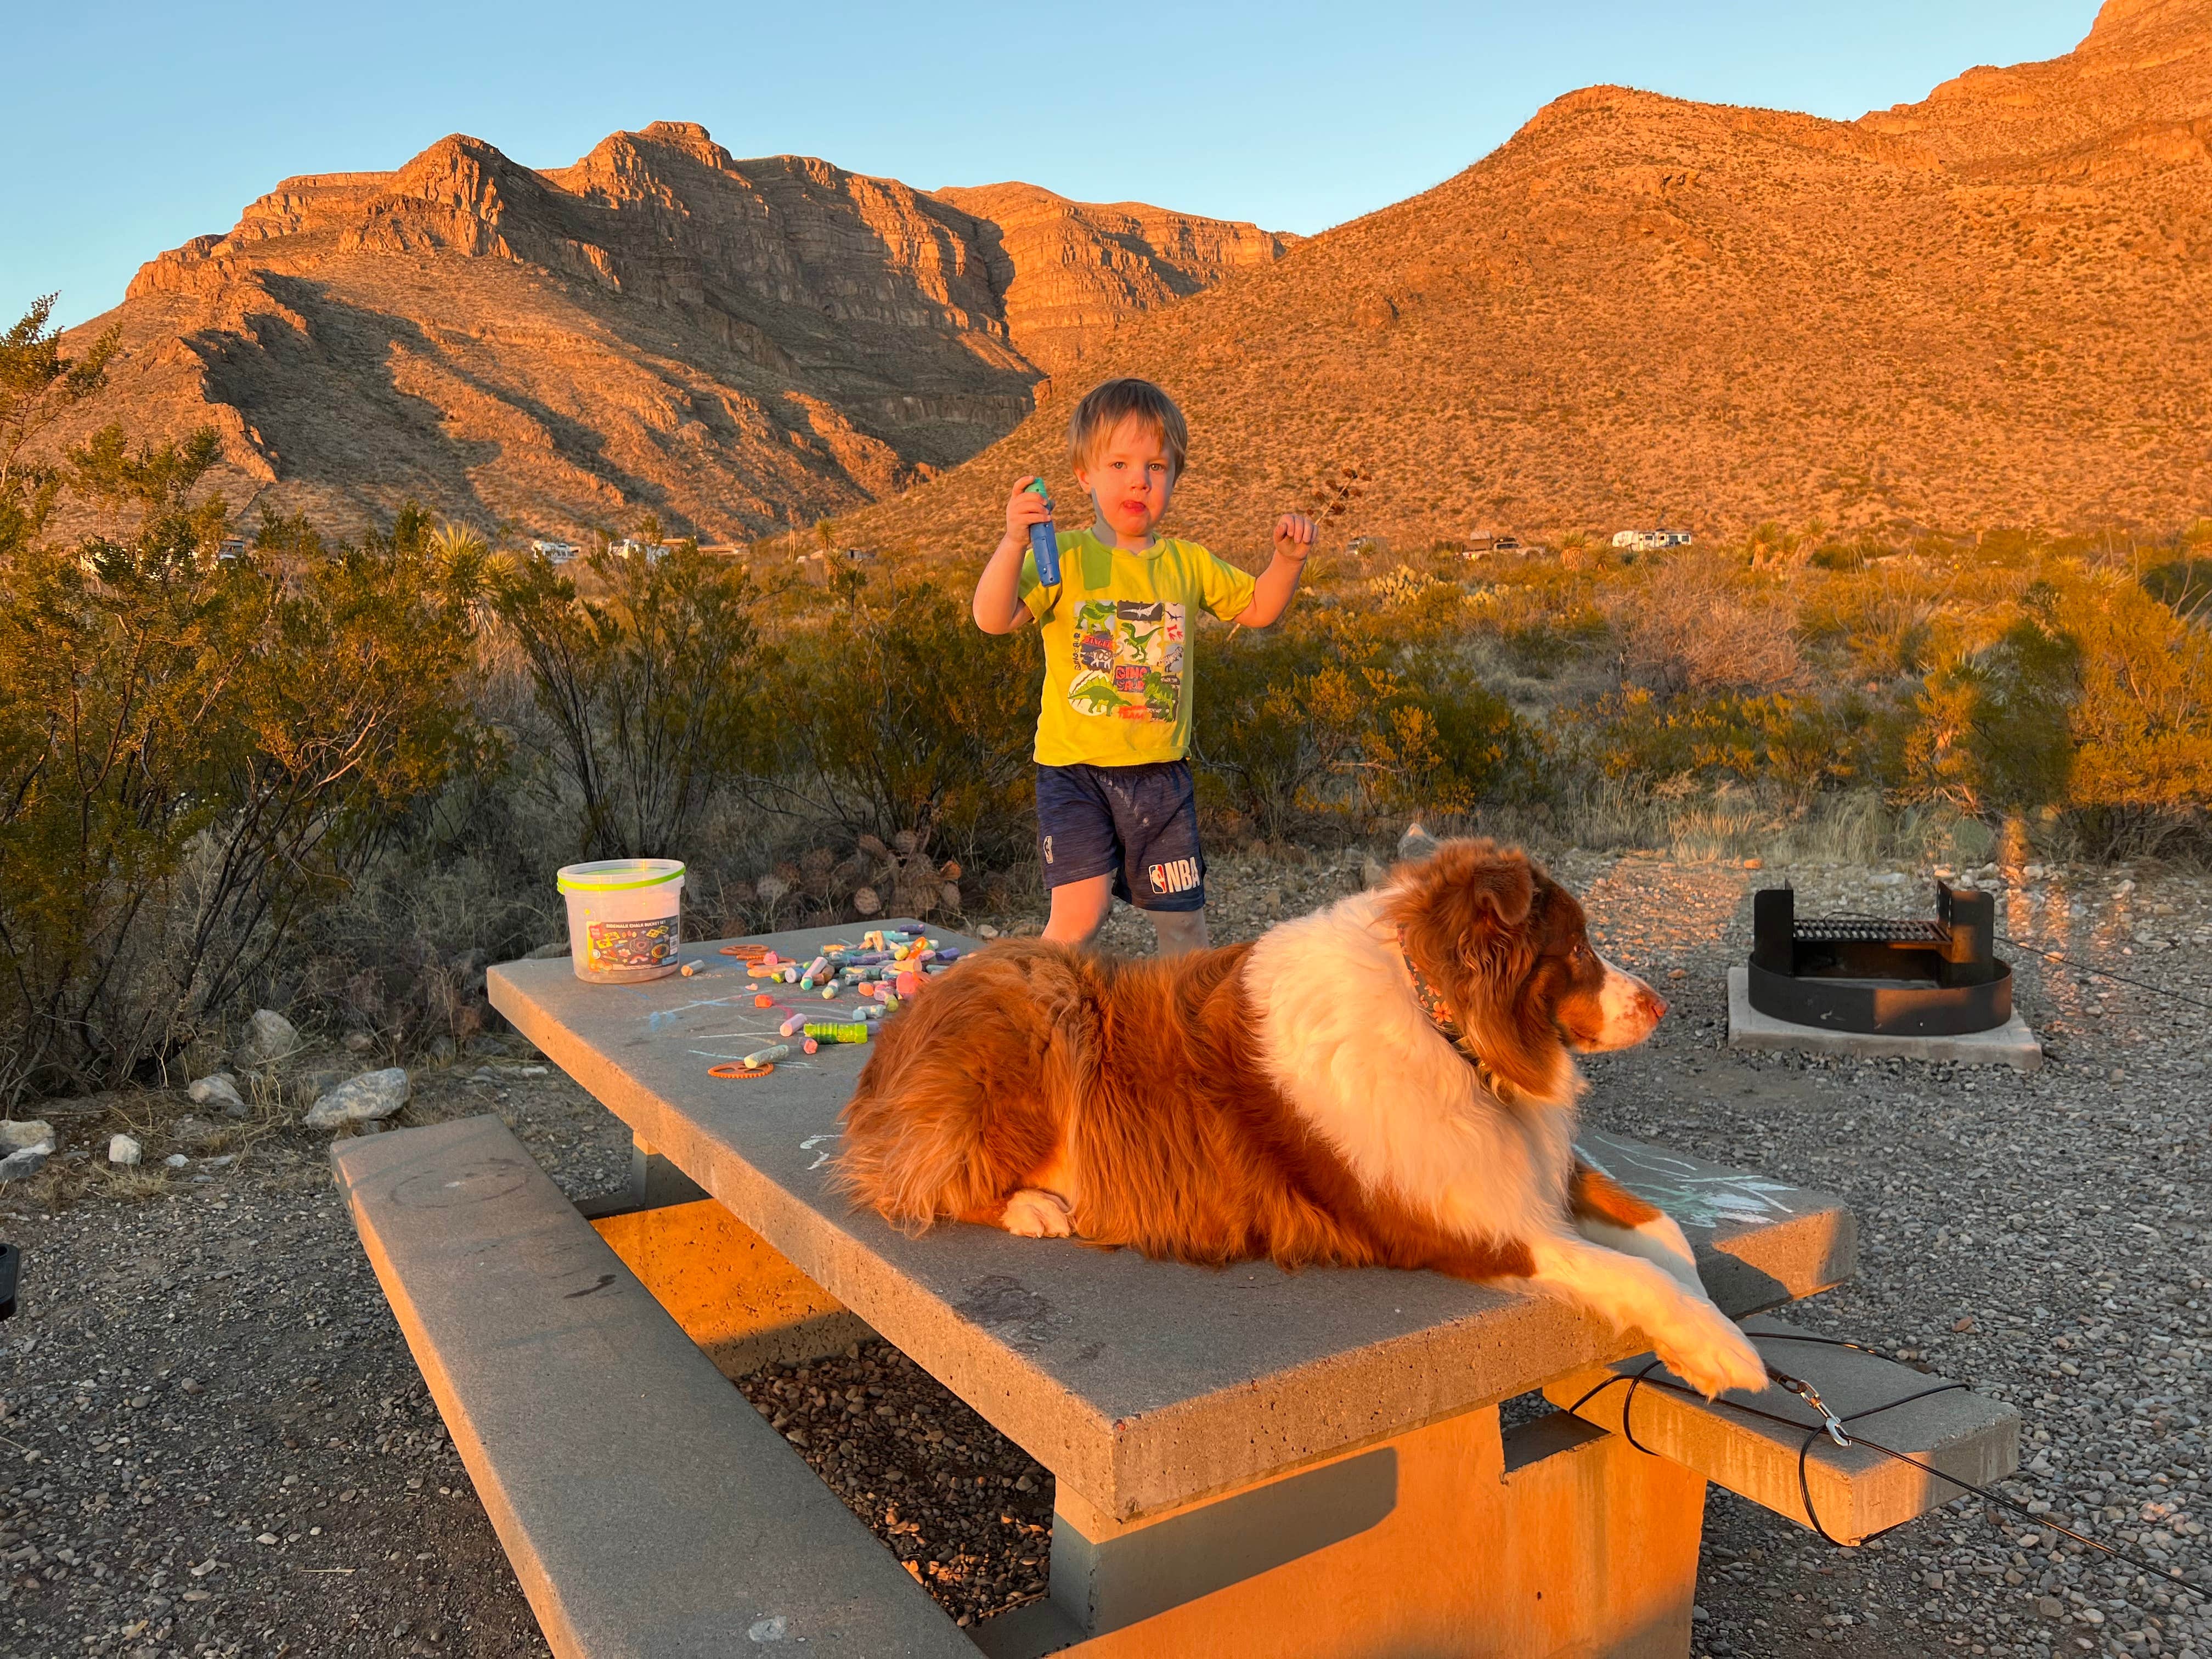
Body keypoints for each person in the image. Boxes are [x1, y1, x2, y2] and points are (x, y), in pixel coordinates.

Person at [971, 377, 1316, 955]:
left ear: (1176, 477)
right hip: (1074, 773)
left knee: (1184, 928)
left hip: (1161, 780)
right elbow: (993, 617)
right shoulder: (1067, 558)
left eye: (1157, 466)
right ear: (1084, 476)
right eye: (1120, 464)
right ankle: (1034, 1019)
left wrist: (1287, 560)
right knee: (1079, 917)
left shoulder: (1189, 562)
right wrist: (1012, 545)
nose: (1140, 479)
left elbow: (1258, 608)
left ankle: (1186, 1038)